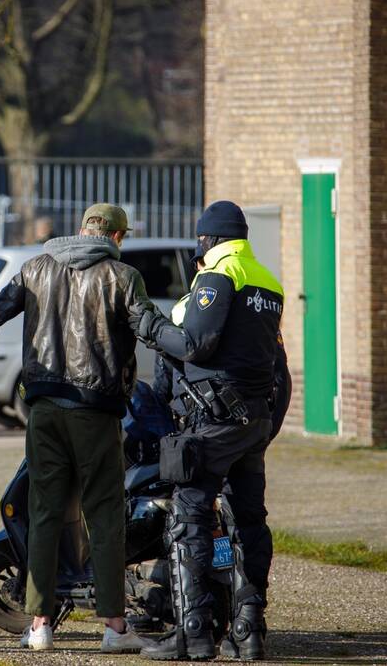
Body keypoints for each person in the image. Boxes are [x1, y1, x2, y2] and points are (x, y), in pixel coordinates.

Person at [0, 203, 182, 654]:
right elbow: (151, 329)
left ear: (82, 229)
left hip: (43, 411)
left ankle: (40, 625)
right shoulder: (122, 277)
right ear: (117, 236)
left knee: (46, 512)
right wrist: (194, 349)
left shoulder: (36, 269)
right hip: (97, 412)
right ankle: (113, 626)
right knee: (105, 514)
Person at [138, 200, 284, 661]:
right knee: (249, 524)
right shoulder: (268, 282)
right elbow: (277, 367)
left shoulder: (217, 276)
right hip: (253, 422)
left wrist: (151, 326)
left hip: (213, 423)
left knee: (188, 519)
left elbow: (196, 345)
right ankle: (249, 630)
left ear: (208, 239)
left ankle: (194, 633)